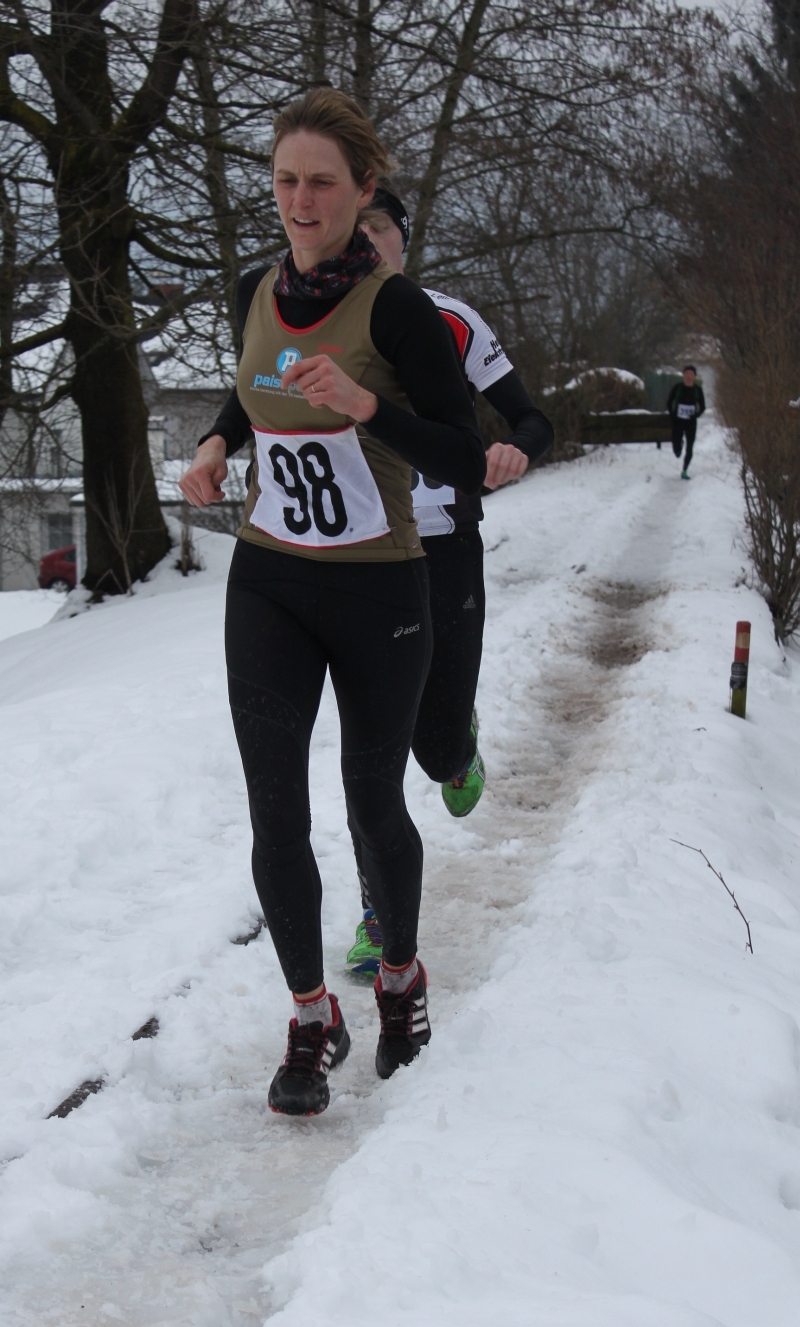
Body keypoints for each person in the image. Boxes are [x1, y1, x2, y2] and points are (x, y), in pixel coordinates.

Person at [179, 89, 485, 1116]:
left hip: (380, 586)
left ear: (361, 192)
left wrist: (366, 407)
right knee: (274, 809)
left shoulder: (396, 307)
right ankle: (311, 1014)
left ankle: (399, 978)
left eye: (320, 182)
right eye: (284, 181)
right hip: (270, 576)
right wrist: (220, 441)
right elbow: (247, 385)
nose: (299, 201)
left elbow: (462, 454)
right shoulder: (251, 288)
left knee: (367, 800)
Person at [345, 188, 553, 977]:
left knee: (432, 752)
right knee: (370, 751)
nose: (363, 241)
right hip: (358, 558)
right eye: (352, 228)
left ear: (401, 238)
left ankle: (456, 739)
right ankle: (378, 915)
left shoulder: (449, 319)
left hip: (445, 547)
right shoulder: (313, 322)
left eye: (378, 229)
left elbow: (530, 417)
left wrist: (514, 450)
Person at [667, 365, 706, 479]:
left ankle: (685, 470)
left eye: (691, 374)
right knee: (676, 446)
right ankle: (678, 448)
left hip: (691, 422)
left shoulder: (697, 390)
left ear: (694, 376)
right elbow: (669, 401)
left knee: (690, 447)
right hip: (678, 421)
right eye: (687, 374)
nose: (689, 376)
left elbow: (703, 406)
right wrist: (672, 413)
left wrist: (696, 415)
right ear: (683, 375)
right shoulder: (678, 388)